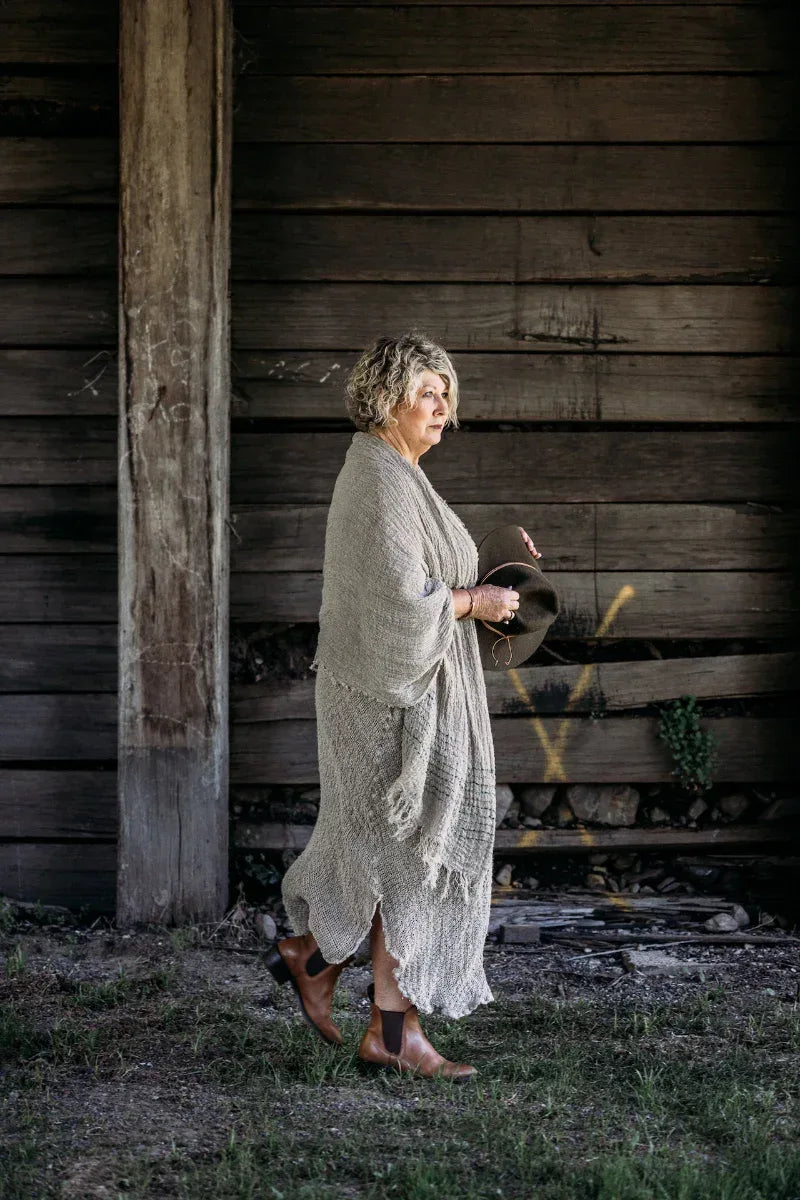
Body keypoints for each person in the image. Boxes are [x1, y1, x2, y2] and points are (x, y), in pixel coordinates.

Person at [266, 331, 542, 1081]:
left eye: (448, 392)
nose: (443, 405)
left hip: (410, 694)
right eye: (429, 390)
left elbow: (430, 576)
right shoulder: (379, 477)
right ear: (387, 397)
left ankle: (330, 974)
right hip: (384, 699)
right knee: (406, 855)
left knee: (402, 857)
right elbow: (400, 602)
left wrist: (494, 563)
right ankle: (372, 1012)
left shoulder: (403, 475)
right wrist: (475, 597)